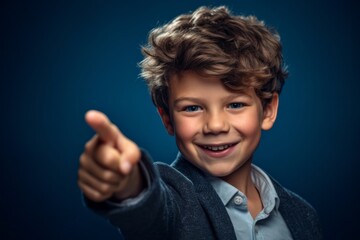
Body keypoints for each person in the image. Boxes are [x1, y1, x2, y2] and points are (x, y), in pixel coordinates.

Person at [77, 6, 322, 240]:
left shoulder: (302, 214)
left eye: (235, 105)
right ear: (167, 119)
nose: (215, 126)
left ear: (268, 110)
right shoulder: (177, 200)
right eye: (192, 108)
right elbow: (151, 212)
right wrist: (127, 182)